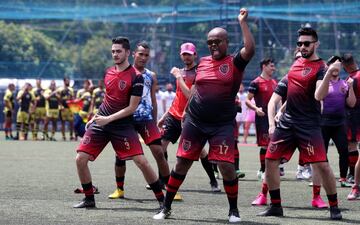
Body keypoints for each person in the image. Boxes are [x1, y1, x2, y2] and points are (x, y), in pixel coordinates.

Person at [154, 8, 255, 223]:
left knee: (226, 167)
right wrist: (184, 113)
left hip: (221, 124)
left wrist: (242, 23)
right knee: (182, 163)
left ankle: (233, 211)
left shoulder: (234, 62)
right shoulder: (203, 64)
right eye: (210, 42)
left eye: (217, 41)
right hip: (195, 122)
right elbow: (196, 91)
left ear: (226, 42)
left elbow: (250, 48)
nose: (213, 45)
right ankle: (166, 208)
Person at [258, 27, 342, 220]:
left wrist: (329, 73)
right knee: (270, 160)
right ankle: (276, 206)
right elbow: (276, 98)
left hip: (309, 125)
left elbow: (319, 95)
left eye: (307, 43)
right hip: (287, 124)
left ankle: (334, 207)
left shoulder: (321, 67)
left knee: (322, 165)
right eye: (300, 44)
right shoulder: (295, 66)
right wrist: (273, 121)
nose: (303, 47)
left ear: (316, 44)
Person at [73, 36, 164, 209]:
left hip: (122, 125)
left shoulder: (137, 77)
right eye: (113, 51)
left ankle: (162, 200)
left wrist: (109, 119)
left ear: (128, 53)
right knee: (80, 159)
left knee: (141, 162)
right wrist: (96, 116)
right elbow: (108, 99)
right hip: (102, 121)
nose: (115, 54)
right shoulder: (108, 72)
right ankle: (89, 199)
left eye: (119, 51)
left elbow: (132, 108)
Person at [107, 41, 170, 200]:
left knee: (159, 152)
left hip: (146, 119)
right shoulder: (124, 72)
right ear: (133, 54)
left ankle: (170, 189)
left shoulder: (151, 75)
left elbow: (153, 100)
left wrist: (155, 121)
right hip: (126, 119)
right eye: (140, 54)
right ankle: (119, 189)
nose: (143, 57)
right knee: (120, 156)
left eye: (146, 55)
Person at [158, 42, 221, 196]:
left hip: (191, 117)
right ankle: (163, 180)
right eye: (184, 53)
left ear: (195, 55)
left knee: (200, 152)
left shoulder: (198, 72)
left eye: (189, 54)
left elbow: (189, 96)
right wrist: (165, 115)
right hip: (174, 115)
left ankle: (213, 180)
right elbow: (178, 97)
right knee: (161, 147)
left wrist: (178, 76)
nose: (186, 56)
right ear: (180, 55)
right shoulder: (180, 72)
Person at [321, 56, 355, 188]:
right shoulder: (322, 83)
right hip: (323, 123)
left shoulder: (345, 84)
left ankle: (342, 178)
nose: (336, 67)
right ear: (328, 66)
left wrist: (351, 88)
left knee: (343, 151)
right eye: (333, 65)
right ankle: (323, 178)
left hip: (340, 123)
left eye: (338, 65)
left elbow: (351, 104)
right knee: (322, 153)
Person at [246, 58, 278, 183]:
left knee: (274, 144)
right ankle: (263, 170)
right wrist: (255, 109)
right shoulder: (256, 82)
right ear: (264, 66)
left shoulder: (275, 82)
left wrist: (280, 112)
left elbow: (278, 100)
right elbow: (248, 100)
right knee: (265, 145)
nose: (273, 68)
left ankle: (272, 169)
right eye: (271, 66)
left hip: (274, 118)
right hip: (262, 117)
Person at [342, 53, 360, 200]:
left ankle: (352, 176)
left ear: (345, 66)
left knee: (352, 147)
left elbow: (351, 103)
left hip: (354, 117)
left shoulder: (351, 79)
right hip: (353, 117)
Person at [58, 76, 75, 141]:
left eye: (69, 81)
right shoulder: (60, 89)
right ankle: (63, 136)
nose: (68, 82)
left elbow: (73, 98)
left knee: (71, 122)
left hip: (70, 108)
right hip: (63, 108)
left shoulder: (71, 89)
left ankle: (71, 136)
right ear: (64, 81)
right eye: (67, 81)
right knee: (63, 122)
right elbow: (59, 99)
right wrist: (60, 106)